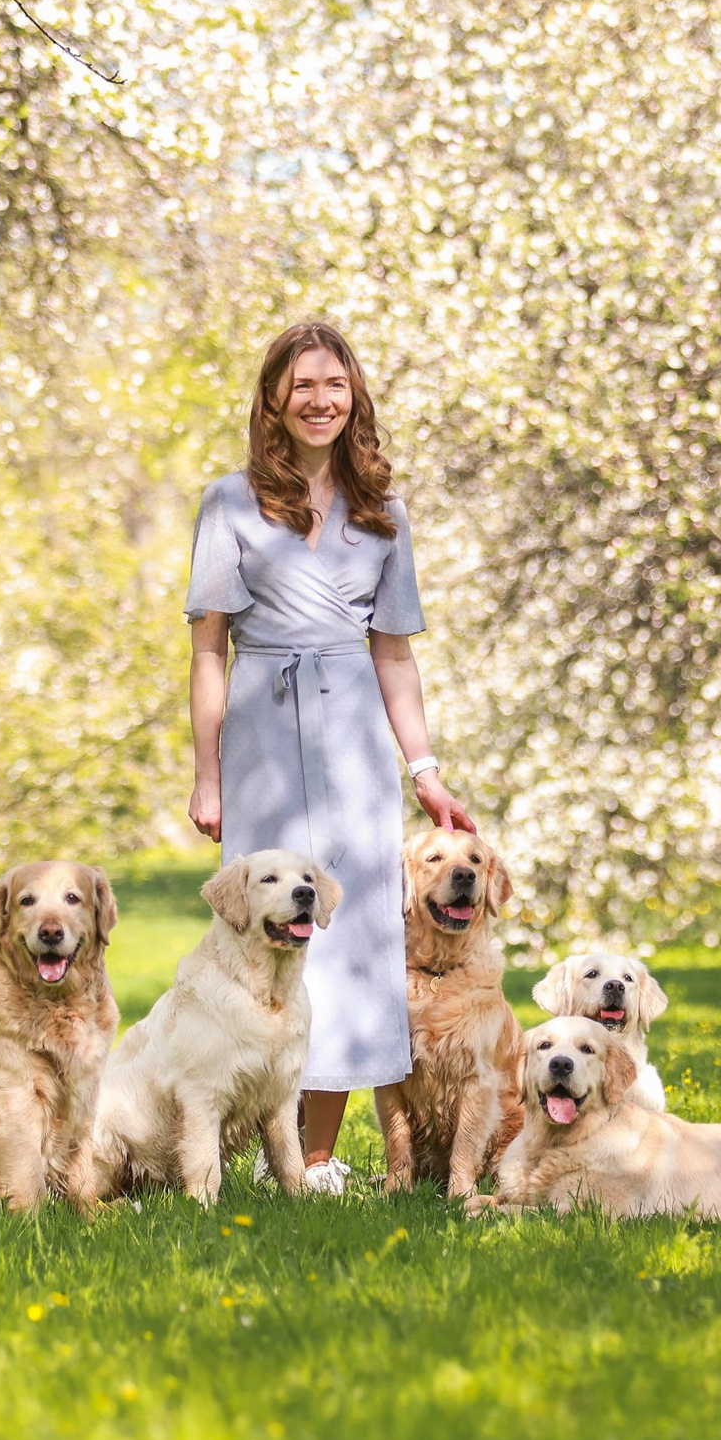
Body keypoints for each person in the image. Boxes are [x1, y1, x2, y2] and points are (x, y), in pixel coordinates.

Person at [185, 321, 475, 1193]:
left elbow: (394, 653)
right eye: (303, 385)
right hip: (263, 733)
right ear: (274, 398)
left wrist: (425, 771)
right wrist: (207, 775)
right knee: (260, 930)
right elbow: (208, 650)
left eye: (335, 385)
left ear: (355, 398)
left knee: (349, 933)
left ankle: (314, 1158)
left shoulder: (383, 510)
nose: (320, 400)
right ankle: (243, 1137)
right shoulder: (229, 503)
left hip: (353, 737)